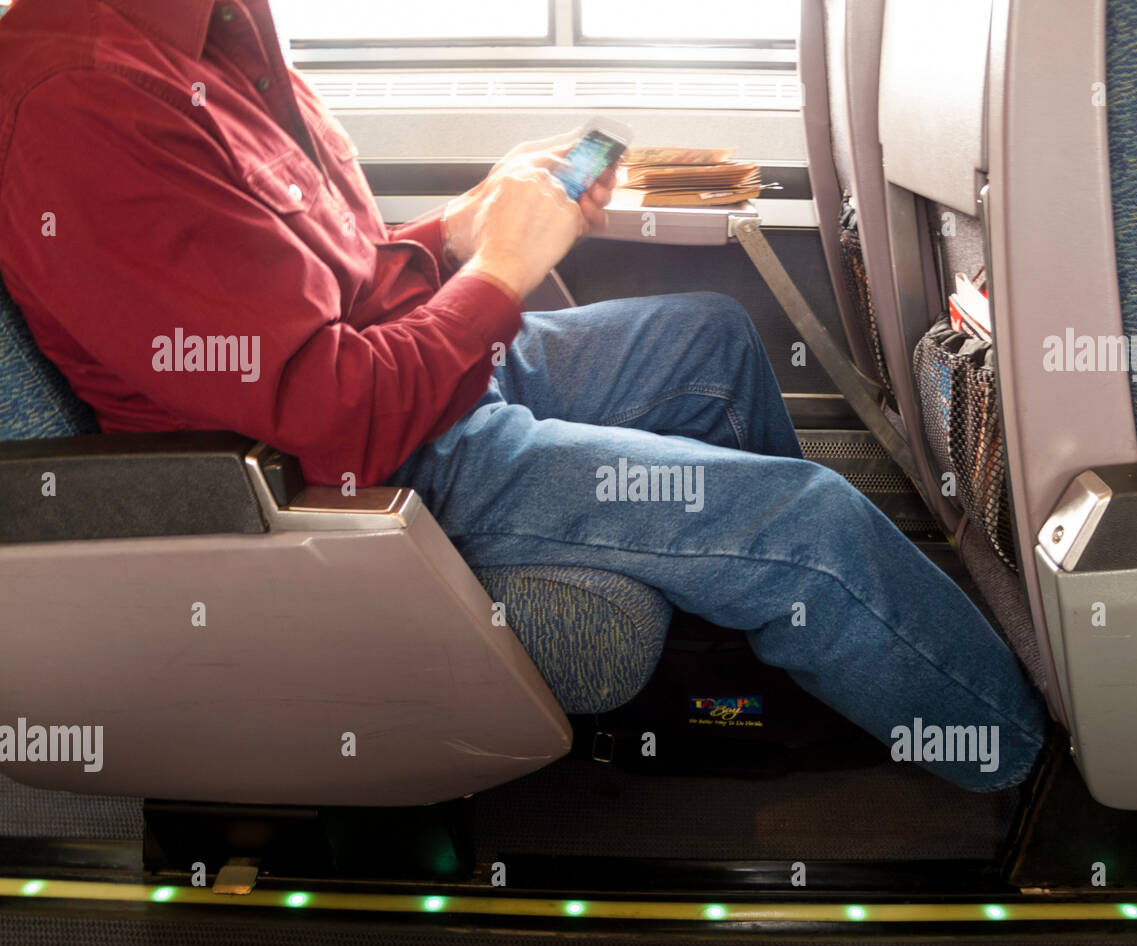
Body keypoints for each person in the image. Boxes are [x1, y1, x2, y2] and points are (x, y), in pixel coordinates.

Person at [0, 0, 1047, 791]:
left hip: (408, 388)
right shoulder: (85, 98)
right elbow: (328, 418)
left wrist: (458, 228)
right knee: (808, 523)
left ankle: (752, 677)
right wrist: (496, 277)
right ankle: (1027, 769)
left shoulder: (226, 32)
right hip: (349, 479)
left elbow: (317, 288)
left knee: (710, 340)